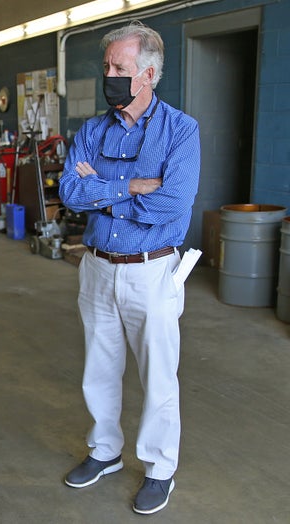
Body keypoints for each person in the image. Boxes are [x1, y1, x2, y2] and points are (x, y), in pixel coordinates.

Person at [58, 21, 200, 515]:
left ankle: (160, 467)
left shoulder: (181, 131)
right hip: (97, 267)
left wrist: (105, 190)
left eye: (120, 68)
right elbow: (70, 192)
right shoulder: (92, 130)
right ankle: (105, 452)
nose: (110, 75)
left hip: (152, 270)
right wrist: (135, 185)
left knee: (159, 375)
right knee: (99, 367)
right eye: (107, 67)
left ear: (149, 74)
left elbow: (172, 206)